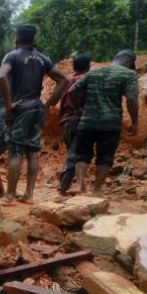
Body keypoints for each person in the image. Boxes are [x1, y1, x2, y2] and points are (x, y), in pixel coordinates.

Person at [0, 25, 67, 204]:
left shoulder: (12, 56)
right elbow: (63, 80)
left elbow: (2, 77)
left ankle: (10, 196)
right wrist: (48, 104)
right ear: (34, 40)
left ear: (17, 39)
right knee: (32, 152)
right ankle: (29, 195)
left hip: (20, 109)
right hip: (37, 108)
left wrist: (7, 105)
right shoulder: (43, 59)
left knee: (15, 152)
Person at [68, 50, 138, 195]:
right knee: (105, 157)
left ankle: (80, 185)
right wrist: (135, 122)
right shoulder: (129, 74)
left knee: (81, 154)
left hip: (87, 122)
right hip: (110, 124)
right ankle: (96, 191)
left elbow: (72, 90)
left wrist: (78, 109)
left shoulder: (94, 72)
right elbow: (131, 99)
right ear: (129, 61)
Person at [58, 54, 91, 195]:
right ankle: (63, 186)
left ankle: (77, 186)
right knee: (76, 154)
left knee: (74, 152)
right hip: (78, 120)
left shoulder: (66, 81)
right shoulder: (85, 80)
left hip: (65, 121)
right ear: (88, 66)